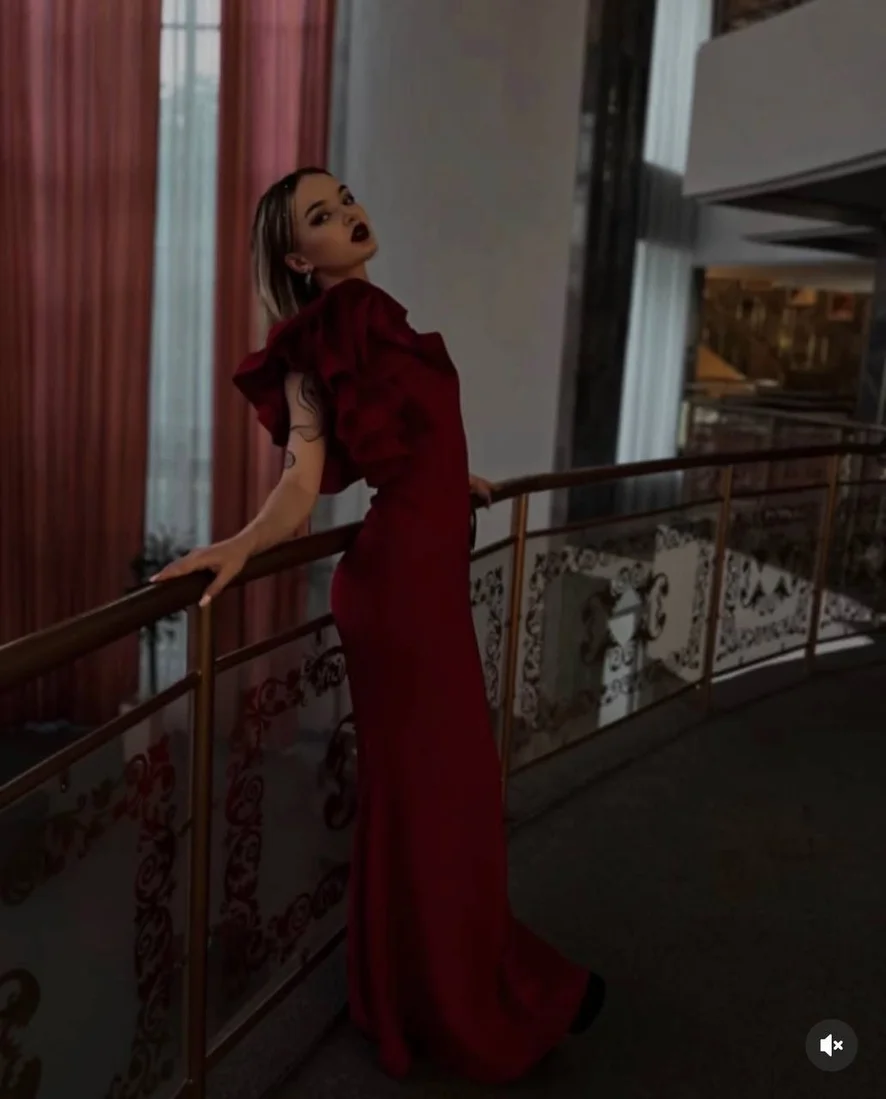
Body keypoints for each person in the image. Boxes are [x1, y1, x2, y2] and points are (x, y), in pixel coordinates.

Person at [152, 167, 605, 1082]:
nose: (349, 215)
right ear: (298, 258)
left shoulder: (380, 315)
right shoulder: (313, 341)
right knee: (436, 799)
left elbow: (401, 439)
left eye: (345, 198)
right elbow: (301, 481)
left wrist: (445, 478)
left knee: (445, 796)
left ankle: (432, 983)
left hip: (423, 577)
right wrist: (240, 543)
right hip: (396, 596)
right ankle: (453, 1006)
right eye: (322, 216)